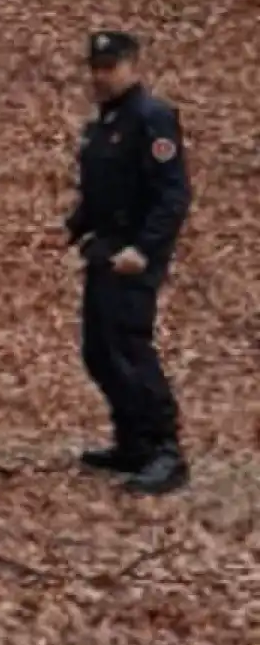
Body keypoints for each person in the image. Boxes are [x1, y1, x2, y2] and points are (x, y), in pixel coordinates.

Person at [64, 30, 192, 496]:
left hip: (135, 255)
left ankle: (166, 450)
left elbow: (173, 195)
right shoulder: (106, 121)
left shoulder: (152, 118)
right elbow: (102, 185)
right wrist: (76, 225)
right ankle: (132, 441)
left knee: (130, 349)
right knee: (98, 351)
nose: (101, 75)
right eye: (96, 67)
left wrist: (144, 249)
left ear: (132, 65)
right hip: (105, 250)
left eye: (111, 66)